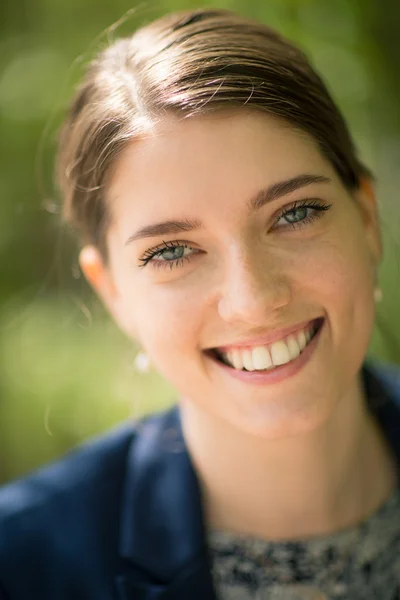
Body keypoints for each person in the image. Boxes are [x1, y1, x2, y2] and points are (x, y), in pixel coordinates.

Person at [0, 7, 399, 599]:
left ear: (366, 219)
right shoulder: (21, 562)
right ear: (112, 291)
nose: (255, 300)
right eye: (171, 252)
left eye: (294, 214)